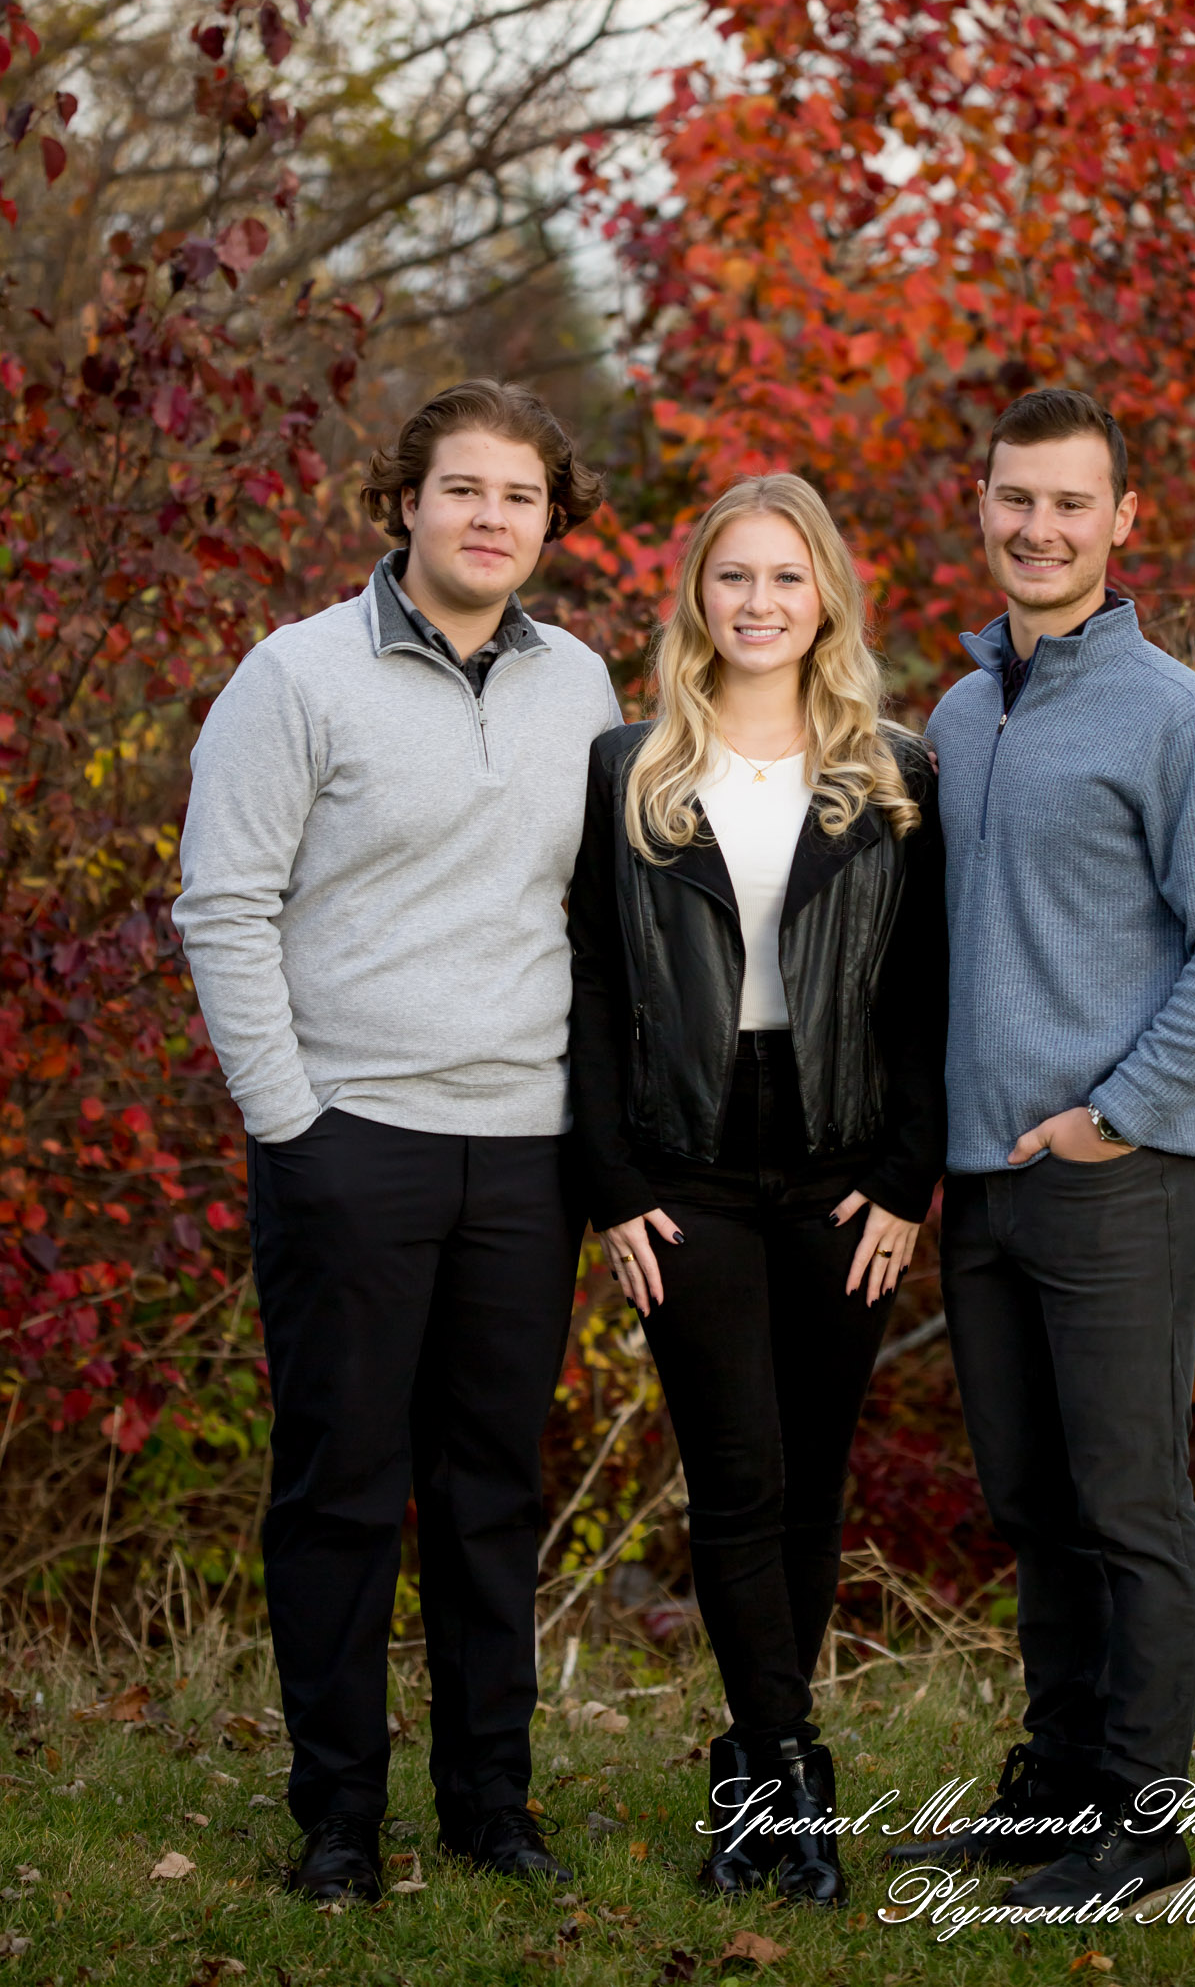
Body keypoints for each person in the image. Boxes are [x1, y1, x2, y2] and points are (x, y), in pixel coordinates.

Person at [173, 380, 620, 1903]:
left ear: (550, 523)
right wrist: (291, 1122)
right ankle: (339, 1816)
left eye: (520, 497)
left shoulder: (582, 684)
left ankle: (493, 1800)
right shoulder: (295, 675)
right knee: (344, 1489)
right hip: (351, 1138)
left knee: (493, 1486)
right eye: (463, 489)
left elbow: (592, 915)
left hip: (526, 1150)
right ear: (404, 504)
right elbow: (223, 904)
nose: (491, 518)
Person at [890, 387, 1195, 1912]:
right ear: (980, 504)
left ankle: (1144, 1827)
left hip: (1123, 1174)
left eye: (1072, 504)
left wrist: (1114, 1111)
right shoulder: (954, 712)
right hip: (987, 1184)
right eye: (1017, 499)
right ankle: (1056, 1793)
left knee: (1129, 1501)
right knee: (1033, 1505)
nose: (1040, 527)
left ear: (1124, 520)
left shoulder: (1188, 718)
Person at [567, 473, 945, 1909]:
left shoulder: (898, 768)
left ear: (828, 595)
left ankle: (759, 1761)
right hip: (687, 1167)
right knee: (736, 1469)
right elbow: (598, 981)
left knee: (813, 1480)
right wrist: (607, 1178)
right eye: (736, 577)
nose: (761, 602)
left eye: (788, 577)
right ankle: (784, 1782)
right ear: (698, 597)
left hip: (848, 1162)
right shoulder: (630, 766)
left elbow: (925, 994)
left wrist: (908, 1174)